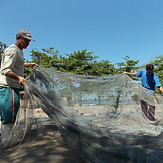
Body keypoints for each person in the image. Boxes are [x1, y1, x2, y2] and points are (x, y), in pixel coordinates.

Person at [0, 29, 37, 143]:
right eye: (25, 40)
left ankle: (5, 137)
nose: (27, 43)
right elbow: (5, 70)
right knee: (9, 113)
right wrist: (19, 78)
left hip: (12, 87)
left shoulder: (19, 51)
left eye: (29, 41)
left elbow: (17, 63)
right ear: (18, 38)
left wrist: (28, 64)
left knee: (11, 113)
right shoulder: (13, 51)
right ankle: (7, 140)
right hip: (8, 87)